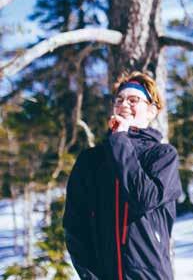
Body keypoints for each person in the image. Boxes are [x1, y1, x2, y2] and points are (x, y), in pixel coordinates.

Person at [63, 71, 182, 280]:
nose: (124, 104)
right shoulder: (91, 160)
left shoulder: (163, 156)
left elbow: (144, 198)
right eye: (119, 100)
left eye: (133, 100)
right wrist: (89, 275)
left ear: (152, 110)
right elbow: (75, 225)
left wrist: (120, 139)